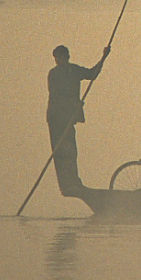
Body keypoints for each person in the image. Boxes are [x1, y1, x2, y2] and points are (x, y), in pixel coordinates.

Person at [46, 44, 110, 195]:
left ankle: (74, 182)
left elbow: (92, 74)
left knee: (71, 150)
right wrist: (73, 103)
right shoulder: (53, 74)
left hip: (68, 118)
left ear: (66, 57)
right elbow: (57, 94)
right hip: (56, 117)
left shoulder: (73, 70)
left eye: (60, 58)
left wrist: (104, 56)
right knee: (60, 151)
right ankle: (65, 185)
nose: (58, 61)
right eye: (56, 59)